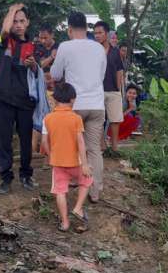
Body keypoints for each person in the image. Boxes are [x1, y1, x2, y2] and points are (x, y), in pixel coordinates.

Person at [50, 12, 107, 203]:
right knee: (94, 149)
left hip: (75, 106)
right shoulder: (99, 48)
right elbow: (101, 76)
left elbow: (55, 75)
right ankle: (95, 191)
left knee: (71, 145)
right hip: (97, 105)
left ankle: (70, 182)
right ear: (86, 27)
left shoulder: (65, 46)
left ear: (69, 29)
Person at [0, 3, 39, 194]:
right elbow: (4, 31)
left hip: (26, 99)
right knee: (4, 138)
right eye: (15, 21)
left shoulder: (35, 45)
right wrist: (12, 10)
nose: (18, 25)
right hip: (4, 97)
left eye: (21, 21)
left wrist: (33, 65)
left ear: (28, 22)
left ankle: (26, 175)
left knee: (26, 140)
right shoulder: (2, 41)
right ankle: (5, 177)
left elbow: (39, 73)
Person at [41, 82, 93, 232]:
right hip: (76, 162)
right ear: (72, 99)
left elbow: (44, 142)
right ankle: (77, 208)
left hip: (58, 162)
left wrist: (51, 156)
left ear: (55, 98)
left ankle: (65, 223)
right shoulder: (76, 118)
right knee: (87, 180)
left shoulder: (47, 118)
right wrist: (85, 164)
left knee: (60, 191)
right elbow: (80, 142)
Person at [93, 21, 125, 151]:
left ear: (106, 34)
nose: (97, 35)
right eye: (95, 33)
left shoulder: (115, 51)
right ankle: (102, 145)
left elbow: (119, 70)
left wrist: (118, 87)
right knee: (99, 119)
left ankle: (115, 146)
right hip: (97, 90)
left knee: (115, 119)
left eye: (100, 33)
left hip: (113, 90)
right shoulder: (93, 51)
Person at [32, 23, 60, 153]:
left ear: (52, 35)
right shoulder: (37, 48)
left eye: (45, 38)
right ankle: (35, 151)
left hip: (57, 91)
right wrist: (51, 57)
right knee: (39, 119)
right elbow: (38, 65)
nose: (42, 41)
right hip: (41, 89)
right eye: (41, 38)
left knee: (55, 119)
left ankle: (53, 150)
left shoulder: (60, 47)